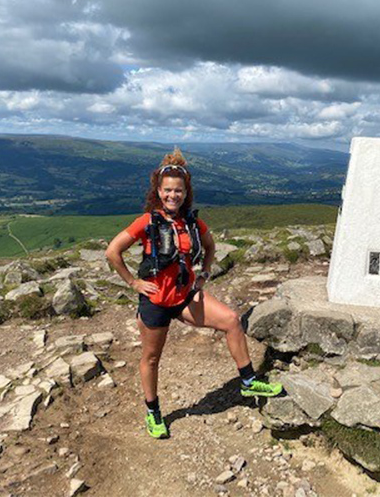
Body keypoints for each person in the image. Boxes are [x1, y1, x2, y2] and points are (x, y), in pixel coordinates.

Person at [105, 149, 282, 439]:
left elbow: (210, 246)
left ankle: (248, 381)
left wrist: (205, 273)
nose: (172, 195)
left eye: (178, 191)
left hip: (184, 296)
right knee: (151, 358)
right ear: (158, 192)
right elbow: (112, 251)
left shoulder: (192, 223)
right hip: (155, 301)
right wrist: (133, 283)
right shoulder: (147, 221)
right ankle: (153, 412)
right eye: (167, 190)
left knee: (231, 320)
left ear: (186, 193)